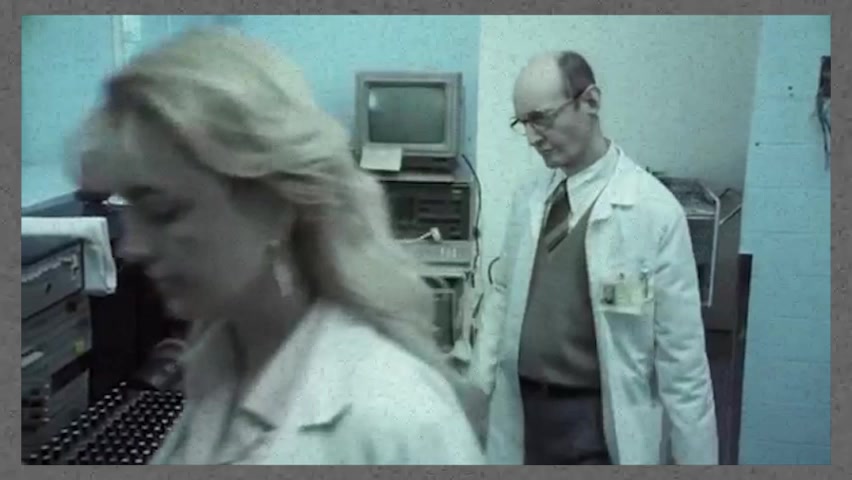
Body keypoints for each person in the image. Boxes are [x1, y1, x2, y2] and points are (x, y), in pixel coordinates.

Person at [68, 27, 485, 465]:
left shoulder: (399, 418)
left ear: (274, 204)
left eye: (163, 210)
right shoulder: (220, 364)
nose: (132, 247)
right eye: (130, 209)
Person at [468, 51, 718, 465]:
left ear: (591, 102)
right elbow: (502, 292)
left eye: (541, 118)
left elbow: (683, 364)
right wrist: (477, 389)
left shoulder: (653, 212)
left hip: (598, 423)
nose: (531, 137)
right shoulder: (529, 199)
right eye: (522, 123)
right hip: (522, 414)